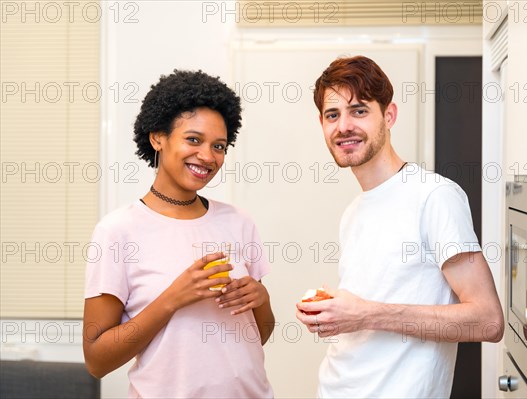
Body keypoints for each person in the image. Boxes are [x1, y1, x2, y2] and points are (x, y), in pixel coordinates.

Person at [296, 56, 504, 398]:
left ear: (388, 116)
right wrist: (335, 311)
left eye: (359, 110)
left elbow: (488, 320)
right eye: (333, 115)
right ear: (322, 123)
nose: (344, 126)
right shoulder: (354, 211)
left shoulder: (435, 197)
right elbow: (377, 300)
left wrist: (365, 315)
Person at [83, 70, 274, 398]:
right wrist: (173, 298)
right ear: (158, 137)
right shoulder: (117, 232)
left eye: (219, 146)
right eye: (193, 139)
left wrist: (261, 299)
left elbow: (260, 333)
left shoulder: (239, 222)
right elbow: (97, 359)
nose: (208, 156)